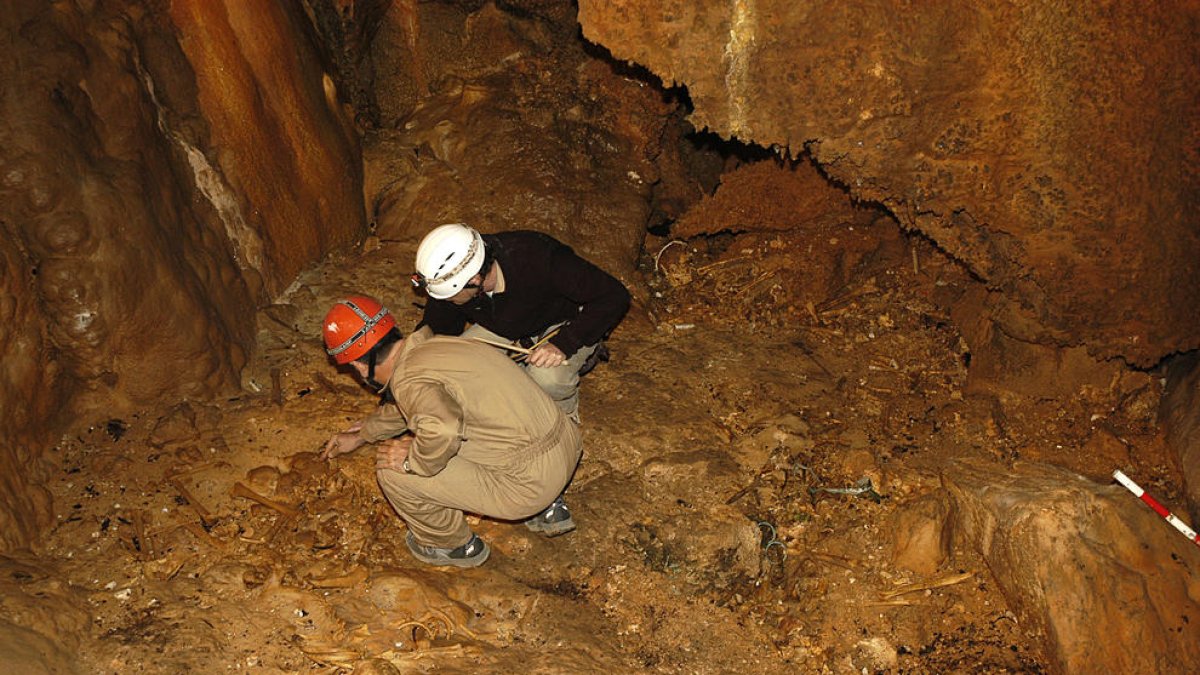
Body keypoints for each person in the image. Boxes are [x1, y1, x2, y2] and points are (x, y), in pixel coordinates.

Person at [319, 295, 583, 568]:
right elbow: (415, 406)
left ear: (360, 366)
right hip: (566, 443)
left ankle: (451, 545)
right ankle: (548, 507)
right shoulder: (443, 345)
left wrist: (412, 461)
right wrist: (364, 434)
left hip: (531, 483)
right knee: (474, 426)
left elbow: (442, 427)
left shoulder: (409, 381)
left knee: (393, 469)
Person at [411, 223, 630, 423]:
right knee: (456, 367)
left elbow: (614, 296)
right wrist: (411, 358)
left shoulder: (539, 257)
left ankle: (566, 420)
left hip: (563, 321)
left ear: (475, 281)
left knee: (546, 378)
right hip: (506, 324)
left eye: (450, 296)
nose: (446, 301)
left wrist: (565, 343)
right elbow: (437, 326)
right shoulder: (458, 272)